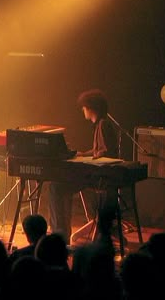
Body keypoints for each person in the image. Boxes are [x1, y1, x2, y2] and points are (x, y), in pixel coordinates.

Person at [48, 89, 119, 244]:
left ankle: (60, 235)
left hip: (99, 177)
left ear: (91, 108)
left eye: (84, 107)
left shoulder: (103, 125)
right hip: (98, 175)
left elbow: (106, 153)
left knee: (56, 187)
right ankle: (62, 233)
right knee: (59, 187)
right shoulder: (102, 124)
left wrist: (88, 157)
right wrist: (82, 154)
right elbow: (98, 150)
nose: (82, 110)